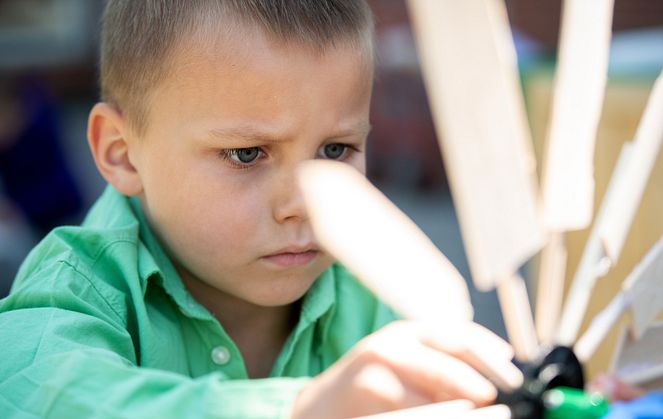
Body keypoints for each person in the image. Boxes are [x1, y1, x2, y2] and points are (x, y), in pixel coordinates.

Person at [0, 1, 521, 418]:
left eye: (335, 150)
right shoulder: (74, 290)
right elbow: (44, 396)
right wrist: (302, 409)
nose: (302, 206)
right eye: (247, 154)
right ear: (121, 152)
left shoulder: (370, 288)